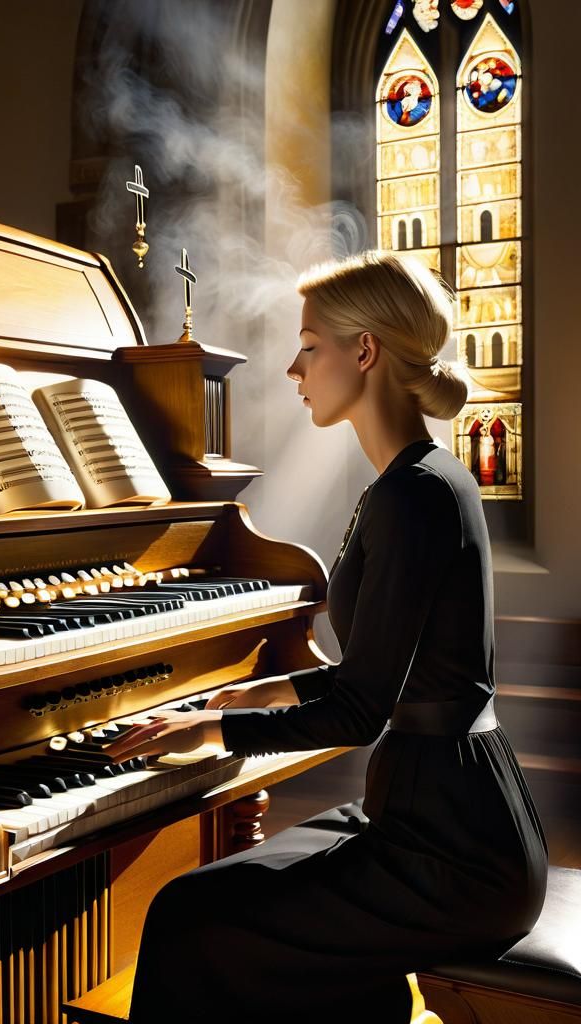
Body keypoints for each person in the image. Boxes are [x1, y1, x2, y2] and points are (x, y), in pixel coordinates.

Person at [106, 250, 548, 1024]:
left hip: (452, 855)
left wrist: (213, 729)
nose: (292, 368)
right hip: (440, 815)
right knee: (231, 913)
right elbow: (389, 670)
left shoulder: (414, 496)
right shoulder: (419, 479)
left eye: (309, 345)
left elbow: (360, 712)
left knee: (188, 916)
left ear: (364, 351)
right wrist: (266, 688)